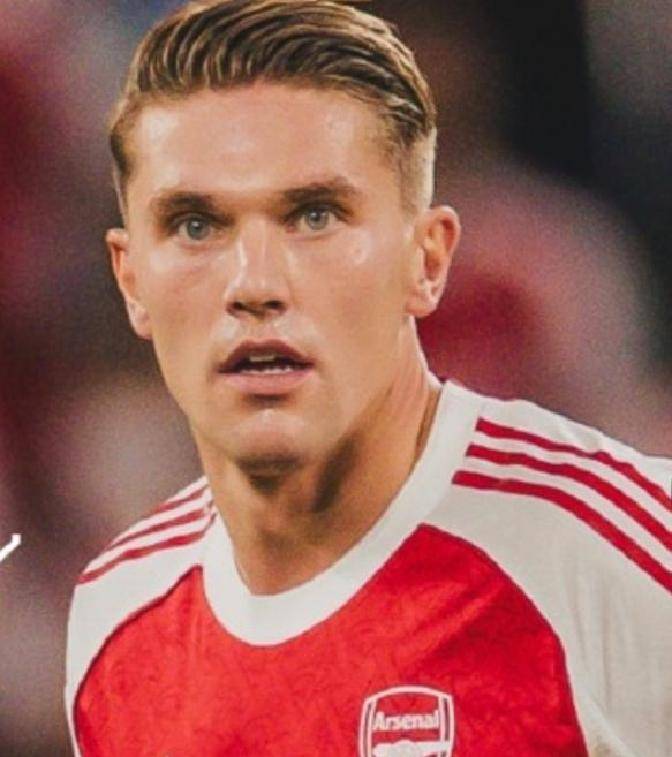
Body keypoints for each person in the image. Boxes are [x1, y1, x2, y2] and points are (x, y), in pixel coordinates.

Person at [65, 1, 672, 754]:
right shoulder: (117, 618)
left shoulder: (612, 553)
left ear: (427, 259)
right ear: (130, 279)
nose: (255, 283)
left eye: (315, 216)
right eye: (196, 225)